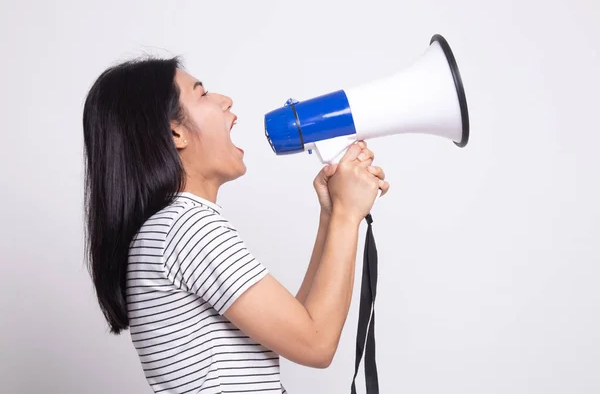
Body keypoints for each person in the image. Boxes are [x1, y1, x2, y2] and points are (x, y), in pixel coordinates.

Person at [82, 56, 390, 394]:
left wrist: (332, 216)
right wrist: (348, 215)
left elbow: (297, 324)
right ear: (175, 132)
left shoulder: (167, 229)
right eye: (202, 94)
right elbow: (316, 345)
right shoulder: (187, 227)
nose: (225, 100)